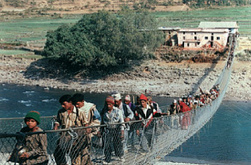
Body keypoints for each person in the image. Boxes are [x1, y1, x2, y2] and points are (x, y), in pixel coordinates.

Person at [53, 94, 90, 165]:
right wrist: (56, 125)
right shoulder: (61, 112)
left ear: (70, 102)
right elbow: (58, 120)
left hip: (77, 139)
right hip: (65, 137)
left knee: (76, 157)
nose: (62, 106)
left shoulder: (80, 112)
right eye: (61, 104)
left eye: (64, 104)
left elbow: (85, 123)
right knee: (58, 153)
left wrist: (87, 130)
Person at [101, 96, 125, 164]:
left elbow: (122, 122)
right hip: (108, 129)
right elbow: (102, 121)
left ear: (113, 104)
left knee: (117, 144)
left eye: (110, 104)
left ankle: (121, 156)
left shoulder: (118, 111)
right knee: (107, 144)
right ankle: (107, 159)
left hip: (116, 129)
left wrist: (122, 132)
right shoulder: (104, 111)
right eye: (107, 104)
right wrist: (100, 130)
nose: (108, 106)